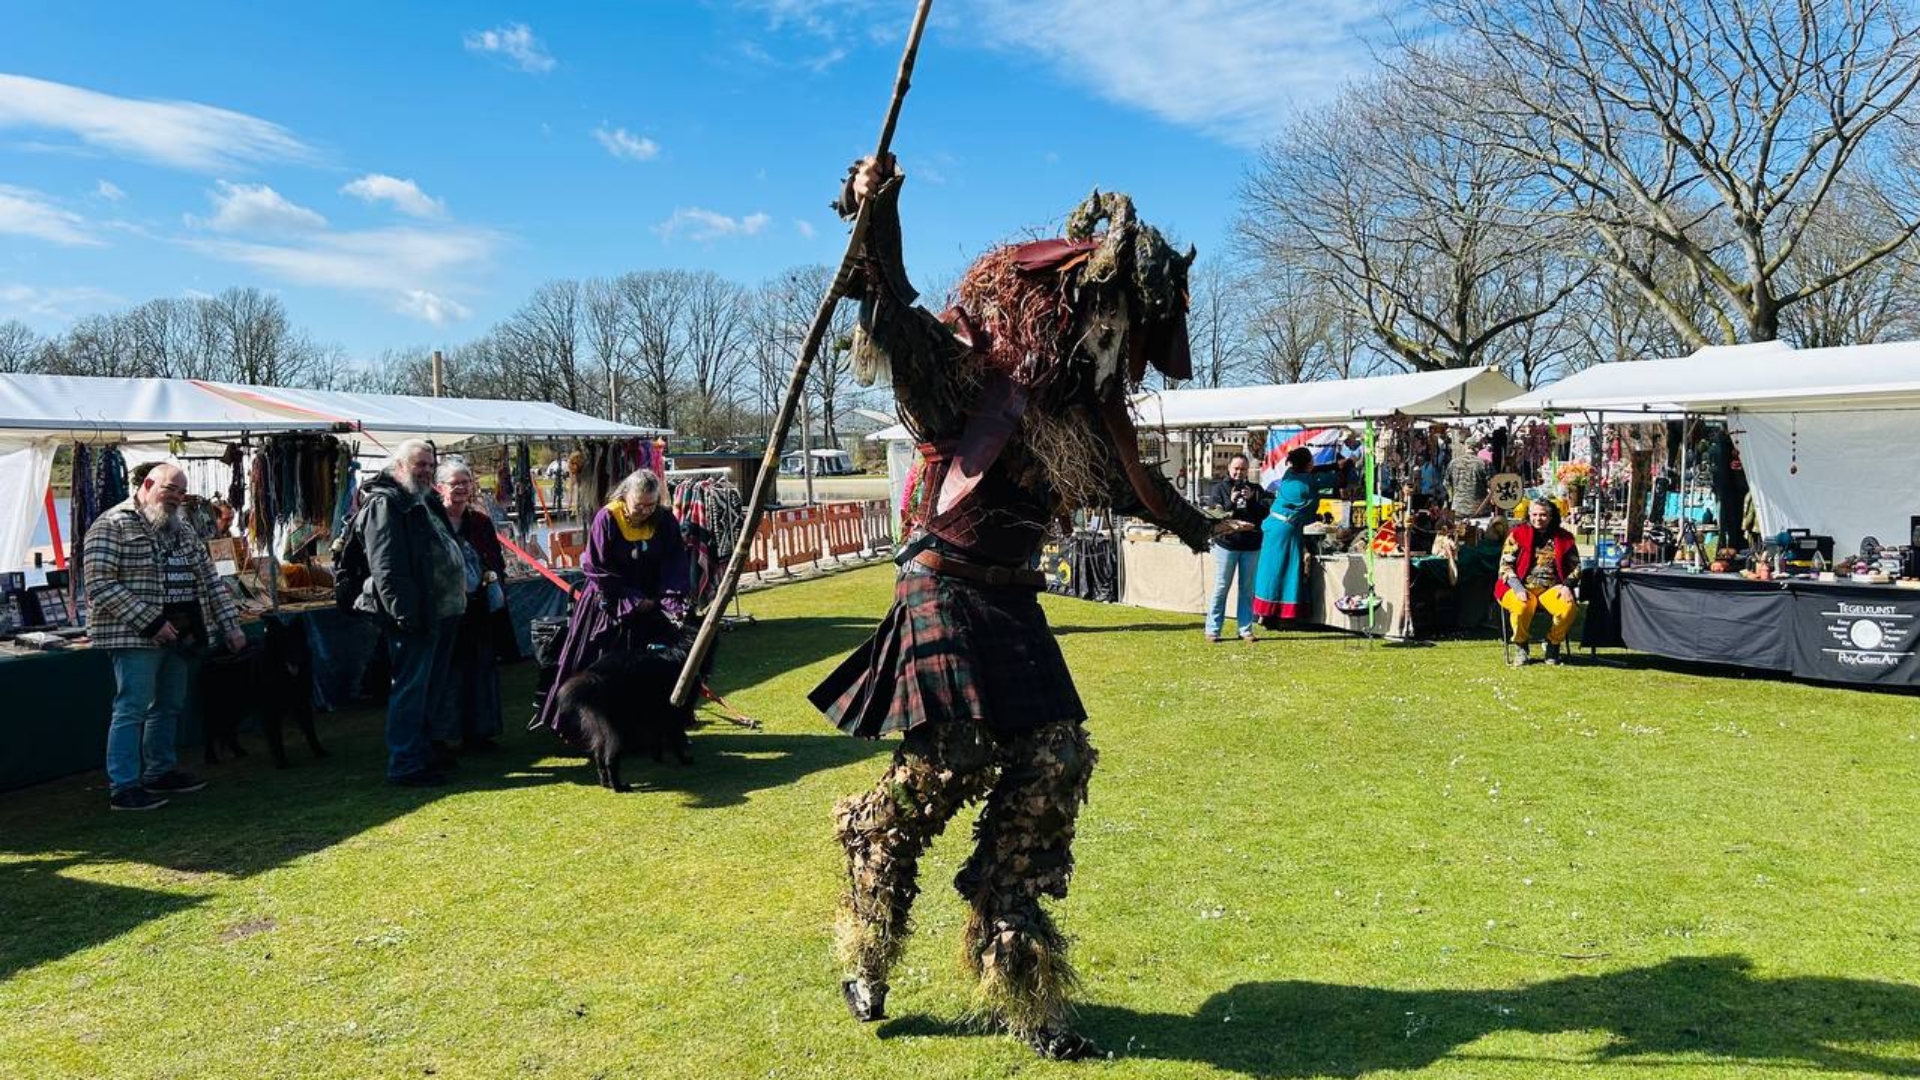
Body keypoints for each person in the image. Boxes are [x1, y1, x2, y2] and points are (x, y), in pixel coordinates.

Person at [813, 154, 1219, 1060]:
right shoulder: (967, 379)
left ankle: (1016, 956)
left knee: (1057, 757)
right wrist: (877, 211)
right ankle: (869, 908)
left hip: (1012, 601)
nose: (1120, 346)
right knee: (948, 759)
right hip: (943, 584)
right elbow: (889, 311)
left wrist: (1212, 526)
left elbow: (1133, 488)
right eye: (1115, 323)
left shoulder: (1077, 417)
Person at [84, 462, 248, 811]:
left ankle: (160, 771)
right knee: (131, 709)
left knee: (169, 706)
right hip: (134, 636)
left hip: (182, 633)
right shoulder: (110, 524)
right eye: (170, 489)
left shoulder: (183, 527)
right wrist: (151, 621)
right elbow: (100, 584)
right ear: (147, 484)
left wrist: (230, 624)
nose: (176, 497)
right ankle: (124, 787)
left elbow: (209, 579)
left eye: (181, 492)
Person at [534, 468, 689, 742]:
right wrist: (630, 599)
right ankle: (586, 730)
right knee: (599, 670)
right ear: (625, 496)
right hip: (609, 606)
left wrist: (667, 599)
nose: (644, 511)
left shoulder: (664, 521)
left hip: (650, 609)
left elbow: (674, 560)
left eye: (650, 505)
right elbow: (595, 564)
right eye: (639, 505)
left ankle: (646, 732)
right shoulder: (607, 518)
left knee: (647, 676)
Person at [353, 439, 469, 785]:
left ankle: (424, 753)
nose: (427, 471)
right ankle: (405, 763)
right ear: (399, 466)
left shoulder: (420, 499)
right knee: (411, 690)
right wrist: (405, 614)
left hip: (441, 610)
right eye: (420, 465)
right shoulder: (386, 503)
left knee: (430, 689)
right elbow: (387, 566)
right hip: (413, 616)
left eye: (431, 466)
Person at [436, 458, 507, 754]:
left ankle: (479, 733)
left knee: (481, 671)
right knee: (450, 674)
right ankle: (445, 735)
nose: (462, 488)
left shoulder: (480, 522)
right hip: (447, 610)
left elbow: (496, 559)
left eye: (466, 482)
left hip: (478, 608)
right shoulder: (433, 521)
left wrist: (491, 576)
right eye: (456, 483)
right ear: (440, 488)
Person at [1252, 447, 1338, 625]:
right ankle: (1276, 612)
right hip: (1285, 529)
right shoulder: (1308, 483)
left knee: (1272, 569)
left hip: (1275, 525)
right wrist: (1344, 466)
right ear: (1308, 463)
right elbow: (1336, 479)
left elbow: (1313, 471)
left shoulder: (1289, 475)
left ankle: (1267, 612)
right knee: (1284, 570)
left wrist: (1333, 464)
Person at [1496, 497, 1581, 666]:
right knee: (1522, 606)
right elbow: (1505, 565)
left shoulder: (1565, 538)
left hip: (1551, 588)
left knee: (1568, 608)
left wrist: (1567, 586)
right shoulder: (1517, 534)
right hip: (1519, 586)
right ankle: (1521, 645)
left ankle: (1553, 644)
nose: (1538, 518)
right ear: (1528, 515)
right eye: (1534, 514)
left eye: (1542, 515)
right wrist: (1518, 588)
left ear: (1551, 516)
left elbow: (1576, 567)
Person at [1206, 453, 1270, 643]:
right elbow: (1215, 515)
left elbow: (1263, 515)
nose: (1239, 473)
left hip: (1251, 545)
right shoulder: (1219, 489)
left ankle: (1245, 629)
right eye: (1236, 469)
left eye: (1243, 469)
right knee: (1222, 586)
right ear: (1229, 468)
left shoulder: (1257, 490)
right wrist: (1231, 502)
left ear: (1248, 470)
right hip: (1227, 545)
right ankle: (1213, 629)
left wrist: (1251, 500)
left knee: (1247, 589)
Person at [1446, 439, 1492, 519]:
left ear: (1466, 447)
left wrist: (1452, 498)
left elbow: (1446, 483)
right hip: (1479, 509)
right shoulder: (1482, 463)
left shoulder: (1453, 463)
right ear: (1477, 448)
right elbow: (1491, 485)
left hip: (1458, 509)